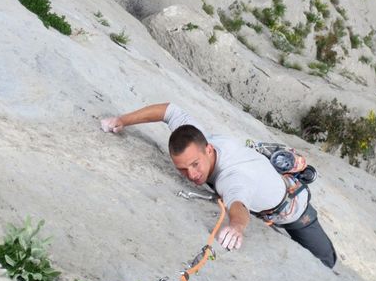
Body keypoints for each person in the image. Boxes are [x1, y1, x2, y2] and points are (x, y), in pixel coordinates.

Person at [101, 102, 337, 268]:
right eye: (182, 168)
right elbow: (168, 111)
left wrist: (236, 227)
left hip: (295, 211)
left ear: (209, 150)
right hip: (266, 190)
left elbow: (239, 205)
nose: (191, 175)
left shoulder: (231, 178)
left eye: (194, 165)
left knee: (325, 261)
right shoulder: (199, 139)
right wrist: (122, 120)